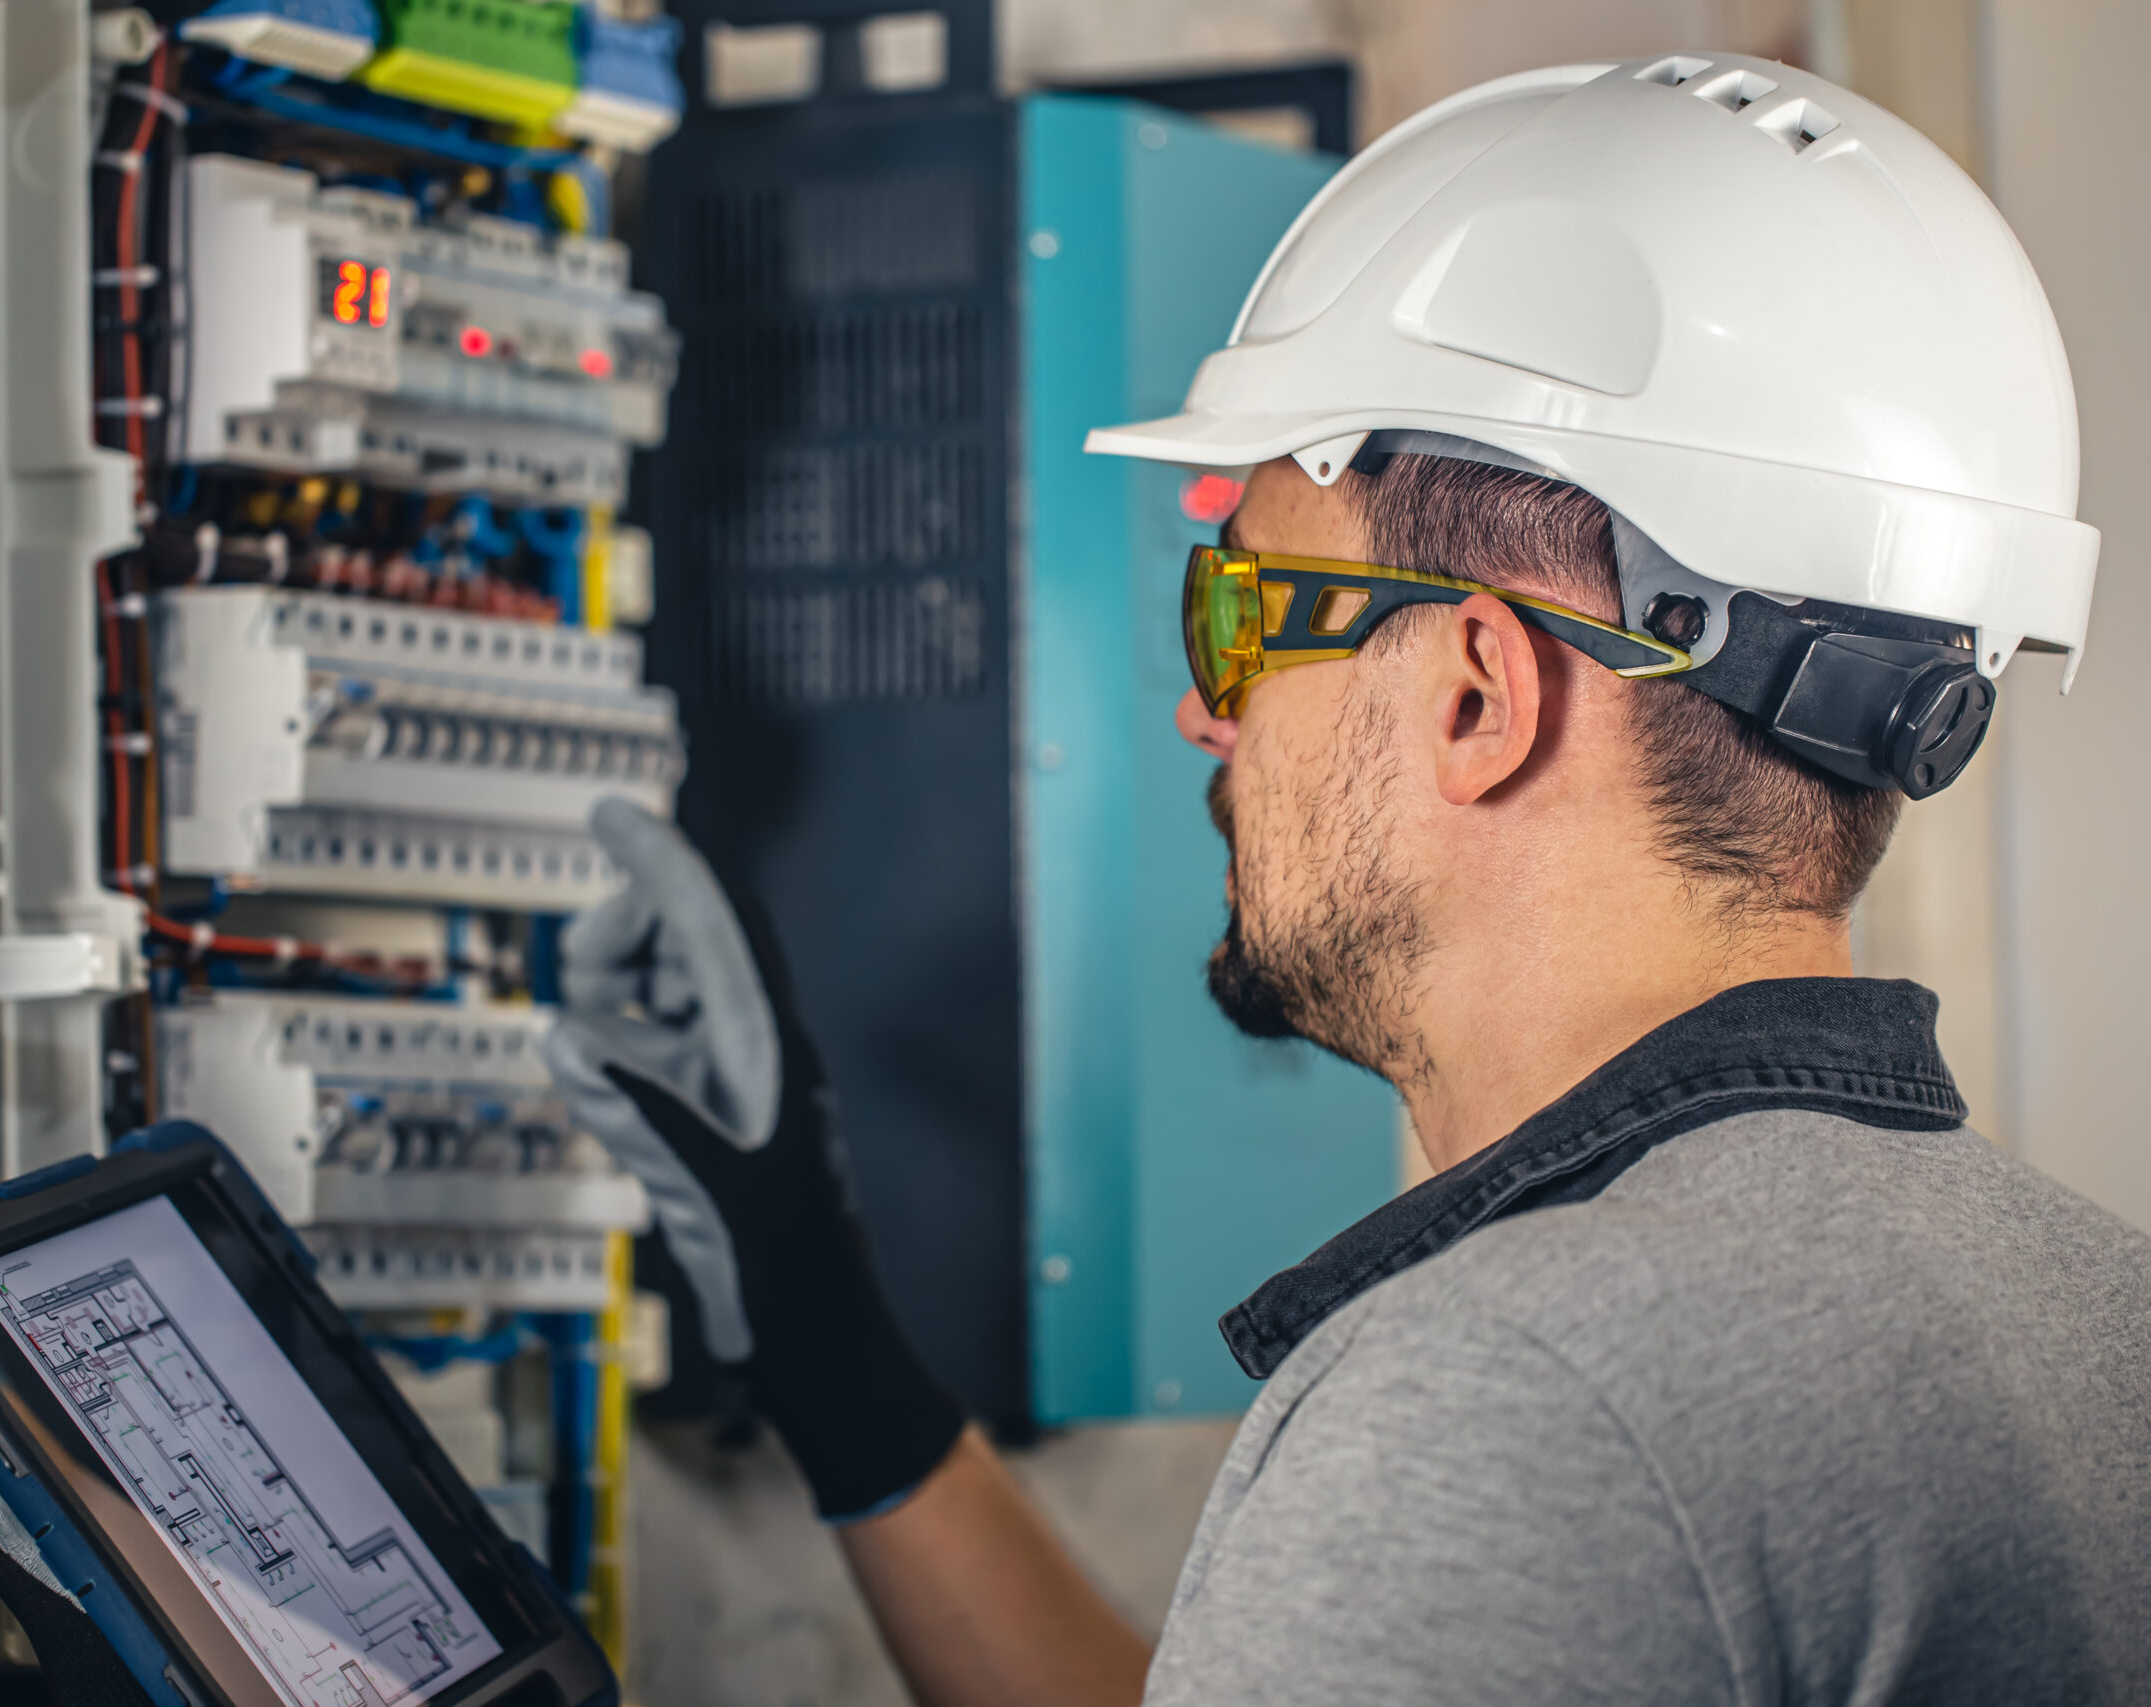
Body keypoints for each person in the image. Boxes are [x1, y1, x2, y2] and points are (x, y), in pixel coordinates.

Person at [541, 52, 2151, 1706]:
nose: (1202, 709)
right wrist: (826, 1337)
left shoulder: (1516, 1393)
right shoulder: (2094, 1316)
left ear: (1477, 695)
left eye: (1241, 613)